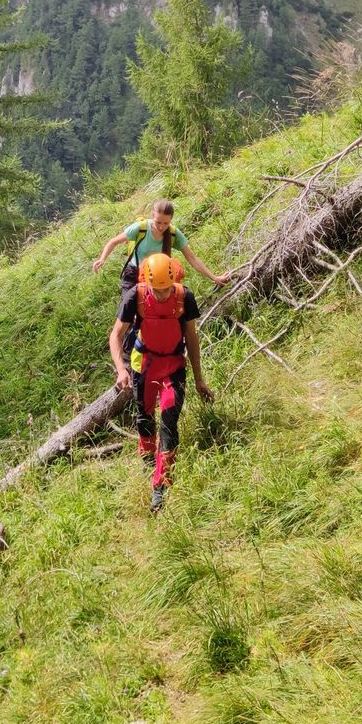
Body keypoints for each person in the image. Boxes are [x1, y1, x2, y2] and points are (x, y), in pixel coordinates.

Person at [108, 251, 213, 512]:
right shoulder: (136, 296)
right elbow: (116, 335)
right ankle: (146, 458)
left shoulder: (183, 296)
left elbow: (192, 338)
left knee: (168, 421)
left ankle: (160, 485)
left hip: (174, 365)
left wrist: (199, 380)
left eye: (166, 288)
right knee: (144, 417)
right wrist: (121, 369)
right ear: (148, 283)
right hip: (144, 364)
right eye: (158, 289)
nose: (163, 293)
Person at [91, 199, 229, 294]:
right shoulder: (141, 228)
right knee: (128, 313)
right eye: (158, 222)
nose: (162, 227)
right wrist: (102, 259)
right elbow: (113, 242)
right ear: (152, 216)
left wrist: (214, 278)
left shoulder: (174, 233)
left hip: (157, 277)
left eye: (166, 223)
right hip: (133, 274)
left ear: (171, 220)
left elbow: (192, 258)